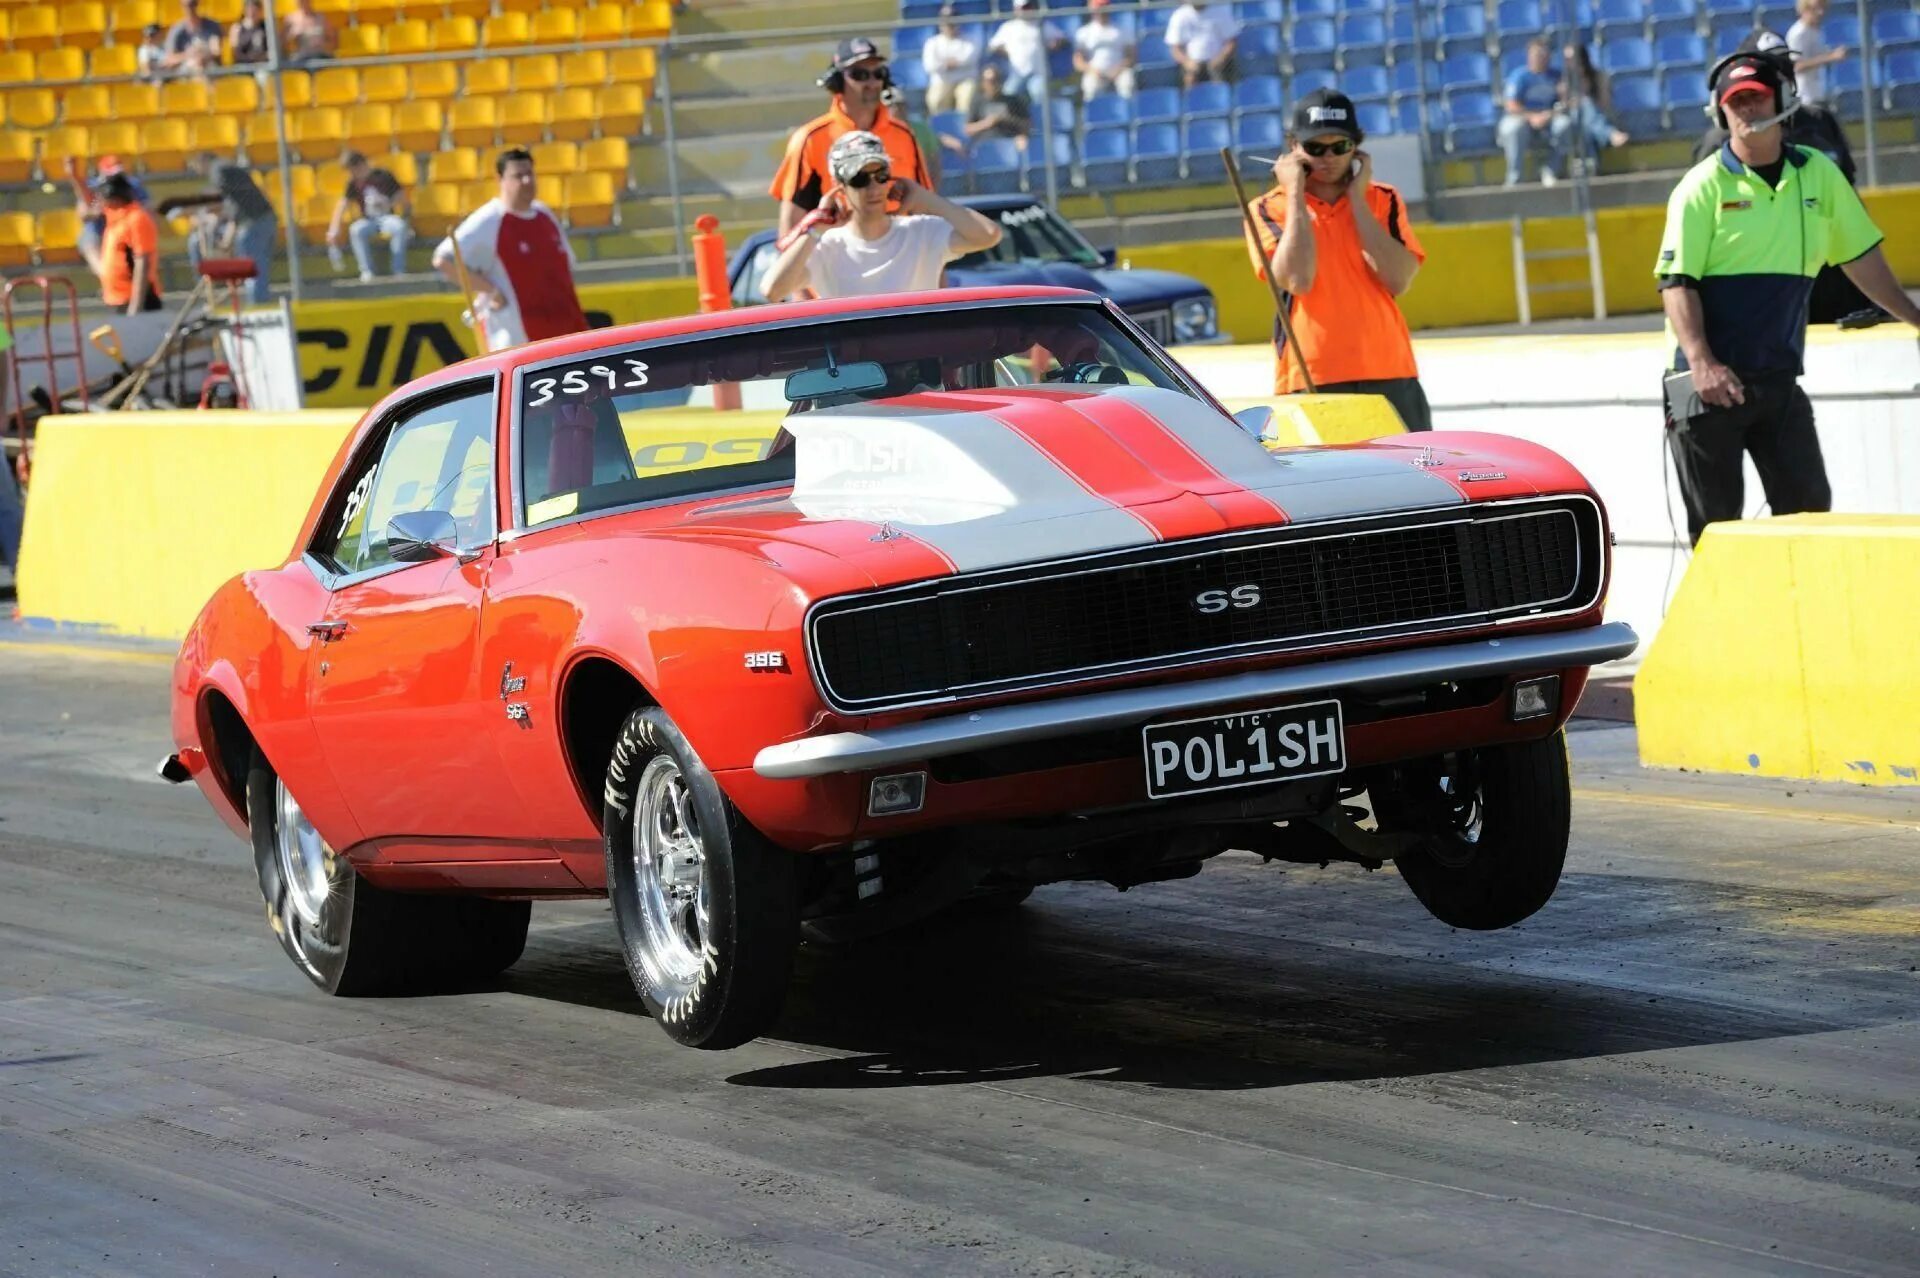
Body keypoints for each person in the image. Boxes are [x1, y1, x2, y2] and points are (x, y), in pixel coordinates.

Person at [1654, 50, 1920, 544]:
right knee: (1716, 534)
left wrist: (1914, 317)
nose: (1747, 110)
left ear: (1784, 100)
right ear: (1720, 112)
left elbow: (1859, 256)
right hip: (1705, 386)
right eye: (1736, 103)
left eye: (1756, 98)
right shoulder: (1700, 187)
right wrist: (1703, 363)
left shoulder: (1818, 173)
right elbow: (1677, 283)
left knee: (1810, 513)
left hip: (1776, 379)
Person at [1242, 89, 1431, 430]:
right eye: (1315, 148)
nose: (1328, 158)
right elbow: (1297, 279)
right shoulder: (1268, 208)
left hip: (1389, 369)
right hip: (1310, 373)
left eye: (1340, 147)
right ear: (1294, 147)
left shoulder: (1383, 199)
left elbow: (1398, 279)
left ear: (1356, 147)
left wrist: (1357, 201)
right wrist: (1296, 193)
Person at [759, 130, 1001, 303]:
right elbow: (772, 290)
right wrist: (815, 229)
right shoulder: (828, 247)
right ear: (839, 187)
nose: (873, 188)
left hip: (919, 367)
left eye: (881, 175)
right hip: (857, 371)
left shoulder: (921, 232)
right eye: (860, 179)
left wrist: (924, 198)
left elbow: (989, 235)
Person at [770, 36, 934, 241]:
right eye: (860, 74)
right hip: (836, 261)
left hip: (898, 258)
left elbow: (925, 209)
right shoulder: (811, 139)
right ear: (836, 81)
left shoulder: (904, 135)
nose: (872, 82)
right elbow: (791, 223)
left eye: (878, 73)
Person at [433, 148, 588, 351]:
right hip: (521, 344)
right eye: (518, 176)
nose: (526, 181)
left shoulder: (544, 214)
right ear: (500, 180)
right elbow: (443, 260)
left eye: (529, 174)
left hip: (567, 334)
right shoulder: (490, 220)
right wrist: (490, 291)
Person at [187, 152, 277, 303]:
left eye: (196, 167)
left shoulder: (219, 171)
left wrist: (228, 235)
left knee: (254, 268)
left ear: (203, 161)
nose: (198, 172)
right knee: (258, 267)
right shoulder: (227, 166)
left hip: (254, 222)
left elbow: (235, 204)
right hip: (263, 219)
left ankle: (258, 306)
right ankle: (259, 302)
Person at [328, 152, 412, 281]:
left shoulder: (384, 175)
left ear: (361, 165)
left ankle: (398, 270)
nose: (352, 174)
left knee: (399, 227)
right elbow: (342, 205)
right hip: (368, 220)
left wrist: (400, 212)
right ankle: (367, 271)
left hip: (387, 217)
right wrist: (334, 229)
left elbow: (401, 197)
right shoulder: (352, 182)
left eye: (352, 170)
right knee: (356, 230)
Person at [1551, 42, 1630, 175]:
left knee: (1587, 113)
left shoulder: (1599, 77)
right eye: (1567, 60)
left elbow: (1605, 104)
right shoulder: (1564, 82)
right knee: (1584, 112)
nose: (1571, 63)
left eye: (1574, 59)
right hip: (1576, 121)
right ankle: (1609, 134)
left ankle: (1596, 154)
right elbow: (1564, 107)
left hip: (1600, 117)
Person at [97, 174, 164, 317]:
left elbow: (142, 263)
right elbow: (87, 206)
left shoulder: (137, 219)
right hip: (119, 300)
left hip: (137, 303)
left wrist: (136, 307)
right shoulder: (116, 216)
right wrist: (75, 178)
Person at [1499, 38, 1564, 186]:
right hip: (1521, 118)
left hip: (1549, 118)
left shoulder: (1556, 76)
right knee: (1513, 129)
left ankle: (1551, 170)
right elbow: (1511, 105)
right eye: (1537, 55)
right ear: (1529, 56)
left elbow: (1565, 103)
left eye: (1544, 55)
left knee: (1564, 125)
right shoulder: (1519, 76)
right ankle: (1515, 177)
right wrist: (1532, 117)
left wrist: (1550, 114)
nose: (1541, 58)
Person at [74, 156, 151, 277]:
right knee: (89, 240)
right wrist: (99, 211)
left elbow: (147, 209)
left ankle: (122, 278)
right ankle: (107, 277)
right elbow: (83, 214)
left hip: (124, 229)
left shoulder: (132, 185)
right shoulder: (93, 187)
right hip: (98, 231)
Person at [988, 0, 1059, 103]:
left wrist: (1053, 46)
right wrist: (1007, 52)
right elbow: (993, 46)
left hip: (1038, 73)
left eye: (1028, 7)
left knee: (1039, 92)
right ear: (1016, 9)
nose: (1026, 10)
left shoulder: (1041, 24)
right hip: (1017, 74)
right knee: (1008, 94)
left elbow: (1061, 38)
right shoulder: (1008, 27)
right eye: (1023, 8)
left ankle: (1041, 118)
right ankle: (1014, 119)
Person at [922, 4, 979, 116]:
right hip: (942, 81)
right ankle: (940, 131)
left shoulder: (970, 39)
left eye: (953, 21)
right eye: (946, 21)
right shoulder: (932, 42)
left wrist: (943, 64)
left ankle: (962, 130)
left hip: (964, 79)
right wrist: (949, 64)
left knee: (967, 99)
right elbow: (929, 66)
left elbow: (970, 59)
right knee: (936, 100)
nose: (950, 25)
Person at [1166, 2, 1240, 89]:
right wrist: (1187, 62)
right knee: (1189, 76)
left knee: (1219, 77)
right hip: (1192, 63)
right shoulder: (1179, 15)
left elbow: (1231, 41)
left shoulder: (1220, 11)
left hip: (1218, 61)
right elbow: (1175, 49)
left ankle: (1221, 99)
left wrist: (1221, 58)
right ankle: (1190, 98)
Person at [1074, 0, 1137, 102]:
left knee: (1127, 82)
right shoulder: (1083, 32)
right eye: (1098, 7)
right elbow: (1078, 61)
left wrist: (1118, 69)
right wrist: (1092, 70)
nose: (1102, 11)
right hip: (1095, 72)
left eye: (1104, 6)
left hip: (1119, 71)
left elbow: (1131, 56)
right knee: (1090, 86)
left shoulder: (1122, 30)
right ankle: (1093, 116)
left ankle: (1128, 114)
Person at [1786, 0, 1846, 106]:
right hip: (1804, 96)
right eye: (1815, 9)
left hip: (1817, 92)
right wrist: (1831, 57)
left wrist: (1832, 54)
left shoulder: (1815, 30)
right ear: (1804, 9)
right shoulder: (1798, 34)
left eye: (1822, 8)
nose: (1820, 13)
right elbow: (1797, 66)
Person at [964, 64, 1031, 150]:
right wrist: (987, 123)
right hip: (985, 145)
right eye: (989, 81)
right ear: (983, 83)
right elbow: (968, 129)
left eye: (995, 80)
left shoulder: (1013, 100)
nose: (992, 84)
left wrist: (1022, 135)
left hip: (1009, 143)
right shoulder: (977, 102)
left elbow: (1027, 124)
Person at [163, 0, 222, 76]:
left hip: (209, 66)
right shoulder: (176, 30)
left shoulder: (212, 26)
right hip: (186, 71)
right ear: (181, 6)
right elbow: (169, 59)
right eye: (186, 5)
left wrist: (202, 56)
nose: (190, 8)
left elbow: (216, 51)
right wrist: (189, 55)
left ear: (197, 4)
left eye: (192, 4)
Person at [228, 0, 270, 65]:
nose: (252, 13)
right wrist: (252, 59)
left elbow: (272, 51)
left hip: (264, 65)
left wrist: (263, 57)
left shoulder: (266, 27)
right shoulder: (237, 28)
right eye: (249, 10)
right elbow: (235, 53)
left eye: (255, 11)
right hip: (243, 66)